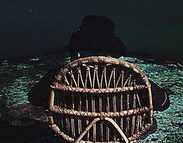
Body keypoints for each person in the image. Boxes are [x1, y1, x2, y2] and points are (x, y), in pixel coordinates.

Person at [27, 15, 171, 110]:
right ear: (112, 45)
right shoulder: (129, 76)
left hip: (74, 131)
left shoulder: (58, 76)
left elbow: (35, 98)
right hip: (121, 131)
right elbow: (163, 103)